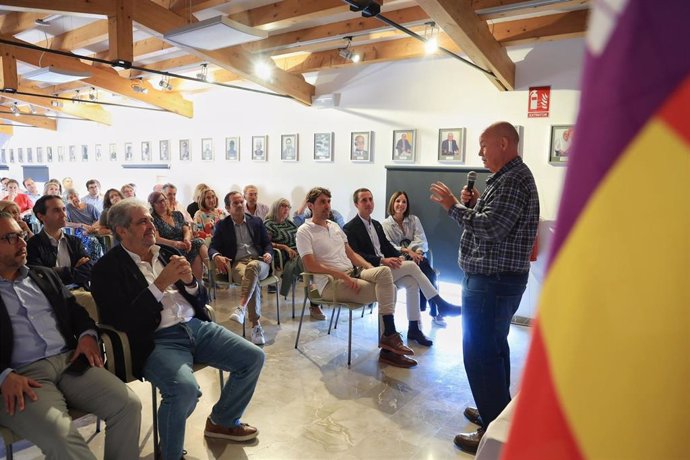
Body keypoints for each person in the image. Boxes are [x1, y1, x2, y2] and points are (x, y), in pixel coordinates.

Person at [91, 199, 264, 460]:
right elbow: (124, 321)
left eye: (150, 219)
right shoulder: (106, 269)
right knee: (184, 389)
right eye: (142, 222)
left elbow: (200, 297)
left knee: (253, 357)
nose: (151, 225)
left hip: (195, 326)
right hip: (157, 340)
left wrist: (190, 282)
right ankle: (169, 455)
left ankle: (222, 420)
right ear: (121, 231)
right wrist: (160, 284)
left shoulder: (161, 252)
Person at [430, 121, 539, 453]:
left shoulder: (513, 181)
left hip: (492, 282)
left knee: (479, 354)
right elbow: (494, 220)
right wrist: (474, 203)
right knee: (494, 348)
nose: (479, 152)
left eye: (483, 145)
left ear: (503, 143)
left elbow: (491, 228)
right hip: (496, 280)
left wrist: (453, 207)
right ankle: (499, 410)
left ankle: (493, 428)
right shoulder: (508, 178)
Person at [0, 212, 141, 459]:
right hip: (22, 376)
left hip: (69, 362)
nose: (22, 242)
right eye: (10, 237)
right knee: (62, 437)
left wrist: (87, 335)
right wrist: (3, 376)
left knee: (128, 405)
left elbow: (76, 313)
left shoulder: (42, 275)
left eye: (21, 234)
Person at [295, 187, 417, 368]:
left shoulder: (334, 226)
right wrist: (341, 276)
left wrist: (369, 269)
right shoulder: (304, 231)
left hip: (353, 273)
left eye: (328, 201)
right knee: (389, 290)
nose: (327, 206)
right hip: (331, 284)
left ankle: (389, 340)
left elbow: (351, 253)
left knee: (383, 274)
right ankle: (389, 346)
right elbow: (310, 265)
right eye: (322, 202)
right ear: (311, 206)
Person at [344, 188, 460, 347]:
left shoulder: (376, 225)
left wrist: (398, 258)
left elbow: (387, 247)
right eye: (364, 200)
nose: (369, 203)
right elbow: (356, 255)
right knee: (412, 266)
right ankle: (439, 303)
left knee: (412, 282)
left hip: (384, 267)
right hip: (368, 270)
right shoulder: (350, 228)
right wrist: (383, 260)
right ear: (356, 204)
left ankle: (414, 328)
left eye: (370, 199)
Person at [209, 192, 273, 345]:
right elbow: (213, 247)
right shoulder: (222, 225)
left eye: (241, 202)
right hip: (238, 264)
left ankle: (242, 307)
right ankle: (256, 325)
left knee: (253, 268)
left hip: (260, 262)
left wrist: (269, 253)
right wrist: (217, 256)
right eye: (235, 203)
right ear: (227, 207)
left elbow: (267, 243)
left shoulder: (256, 221)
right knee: (251, 278)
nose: (239, 205)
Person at [382, 191, 446, 327]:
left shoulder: (413, 220)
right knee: (426, 271)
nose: (401, 204)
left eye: (404, 201)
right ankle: (436, 310)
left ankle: (430, 311)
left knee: (425, 266)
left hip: (417, 256)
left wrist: (417, 252)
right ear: (392, 203)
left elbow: (421, 239)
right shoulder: (385, 224)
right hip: (399, 259)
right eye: (398, 201)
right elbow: (388, 245)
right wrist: (408, 252)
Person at [264, 198, 326, 318]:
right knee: (310, 267)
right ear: (276, 208)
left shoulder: (289, 223)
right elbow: (266, 243)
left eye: (288, 207)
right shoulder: (268, 223)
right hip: (283, 255)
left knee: (321, 259)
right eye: (283, 206)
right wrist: (285, 247)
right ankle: (314, 305)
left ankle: (324, 295)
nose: (286, 209)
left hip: (298, 252)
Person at [27, 195, 93, 288]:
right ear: (41, 216)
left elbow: (89, 269)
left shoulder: (74, 241)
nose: (64, 215)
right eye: (56, 210)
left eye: (64, 209)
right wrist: (74, 269)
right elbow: (41, 277)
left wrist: (57, 271)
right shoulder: (32, 245)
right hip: (50, 296)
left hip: (79, 291)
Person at [149, 191, 208, 281]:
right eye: (158, 202)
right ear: (153, 205)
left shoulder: (177, 214)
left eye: (164, 200)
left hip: (184, 244)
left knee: (197, 246)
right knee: (197, 244)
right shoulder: (153, 219)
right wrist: (174, 243)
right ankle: (210, 270)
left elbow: (186, 229)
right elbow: (156, 239)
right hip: (168, 248)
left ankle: (198, 282)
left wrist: (186, 239)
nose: (163, 203)